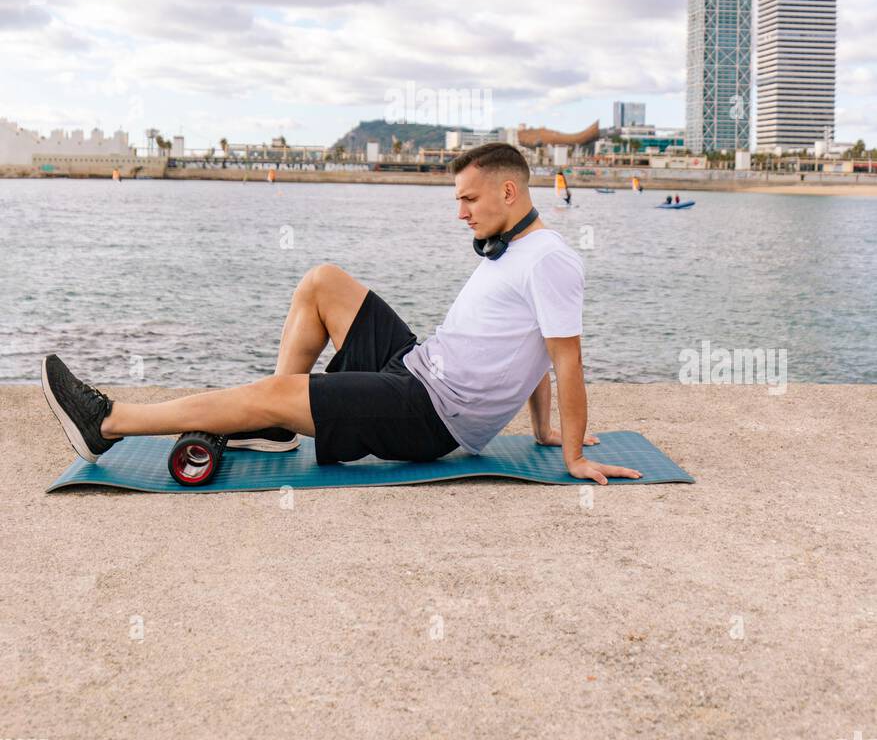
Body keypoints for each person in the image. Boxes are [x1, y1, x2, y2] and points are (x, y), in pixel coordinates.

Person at [40, 143, 641, 484]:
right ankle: (278, 427)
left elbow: (565, 359)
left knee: (277, 389)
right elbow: (532, 343)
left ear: (508, 193)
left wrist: (573, 456)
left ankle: (109, 422)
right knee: (323, 281)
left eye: (469, 199)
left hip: (430, 414)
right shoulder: (512, 251)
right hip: (417, 367)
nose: (461, 212)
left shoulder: (550, 260)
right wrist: (539, 428)